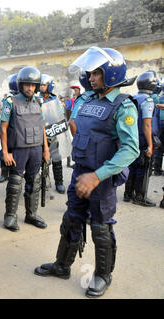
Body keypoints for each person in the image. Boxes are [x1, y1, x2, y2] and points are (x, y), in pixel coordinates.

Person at [34, 47, 139, 298]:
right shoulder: (88, 100)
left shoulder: (124, 107)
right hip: (80, 172)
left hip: (100, 179)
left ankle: (103, 274)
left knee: (100, 228)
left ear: (112, 74)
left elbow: (130, 150)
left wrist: (97, 176)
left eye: (96, 74)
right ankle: (62, 266)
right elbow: (76, 127)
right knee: (71, 219)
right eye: (90, 74)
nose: (91, 79)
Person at [0, 66, 50, 232]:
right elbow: (4, 129)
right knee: (15, 184)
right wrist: (6, 152)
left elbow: (42, 126)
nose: (30, 88)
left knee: (34, 183)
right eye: (27, 85)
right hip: (18, 150)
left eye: (33, 85)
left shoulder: (39, 102)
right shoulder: (10, 102)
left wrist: (46, 149)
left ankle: (31, 215)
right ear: (21, 85)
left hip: (36, 149)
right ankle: (10, 216)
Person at [124, 70, 160, 206]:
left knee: (132, 165)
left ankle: (128, 194)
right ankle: (140, 196)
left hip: (132, 137)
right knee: (143, 168)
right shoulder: (148, 100)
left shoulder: (133, 98)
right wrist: (150, 145)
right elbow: (147, 125)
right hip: (143, 138)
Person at [40, 74, 66, 194]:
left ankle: (59, 182)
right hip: (40, 132)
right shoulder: (36, 98)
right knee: (41, 160)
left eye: (43, 85)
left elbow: (60, 116)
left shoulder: (55, 99)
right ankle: (44, 182)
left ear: (49, 86)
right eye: (40, 84)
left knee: (56, 158)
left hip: (53, 131)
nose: (41, 87)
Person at [0, 74, 18, 184]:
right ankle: (4, 173)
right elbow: (3, 119)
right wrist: (0, 129)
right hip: (10, 131)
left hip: (23, 133)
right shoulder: (9, 101)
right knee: (5, 152)